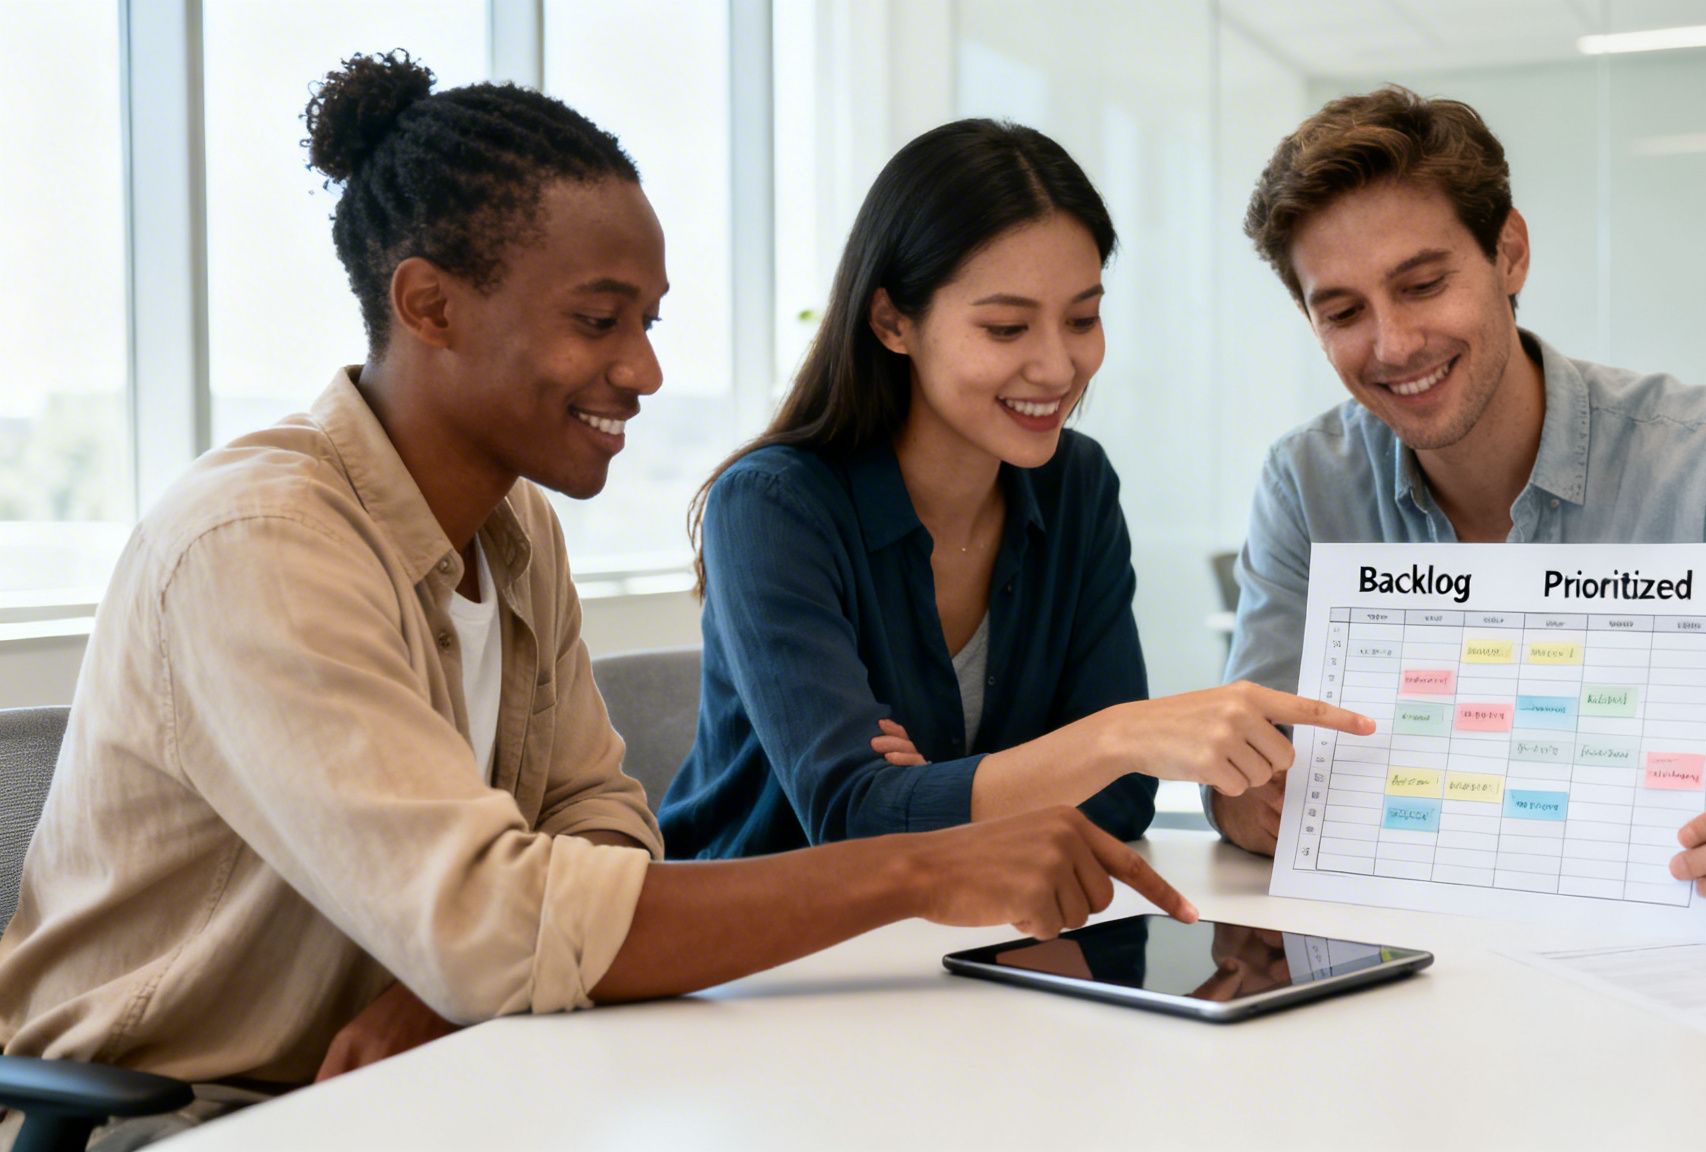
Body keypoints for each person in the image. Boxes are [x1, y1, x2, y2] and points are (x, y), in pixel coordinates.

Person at [0, 54, 1197, 1147]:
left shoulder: (513, 530)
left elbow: (599, 818)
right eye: (597, 320)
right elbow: (508, 910)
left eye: (648, 320)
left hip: (448, 1066)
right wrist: (925, 866)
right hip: (197, 1112)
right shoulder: (258, 543)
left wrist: (454, 970)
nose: (646, 370)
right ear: (429, 306)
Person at [1213, 86, 1706, 934]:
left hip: (1689, 978)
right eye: (1342, 312)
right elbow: (1240, 766)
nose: (1394, 344)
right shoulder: (1306, 481)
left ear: (1509, 254)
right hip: (1409, 963)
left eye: (1423, 284)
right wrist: (1245, 799)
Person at [659, 119, 1374, 860]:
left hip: (976, 934)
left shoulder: (1078, 486)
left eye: (1083, 318)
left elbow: (1120, 799)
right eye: (1006, 328)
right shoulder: (773, 508)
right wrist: (1111, 740)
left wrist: (930, 792)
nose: (1058, 368)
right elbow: (855, 822)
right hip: (769, 954)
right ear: (891, 320)